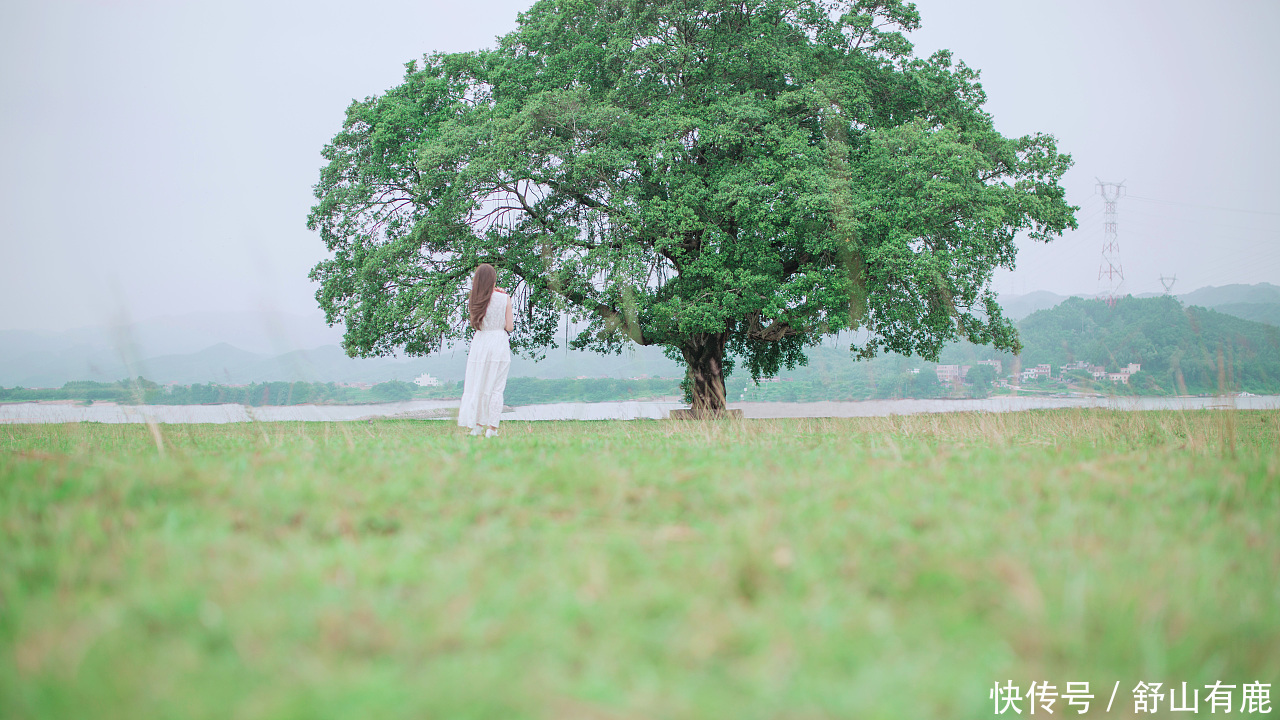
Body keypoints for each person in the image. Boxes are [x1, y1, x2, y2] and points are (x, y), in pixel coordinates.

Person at [457, 263, 513, 437]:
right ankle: (492, 429)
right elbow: (509, 327)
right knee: (496, 387)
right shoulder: (504, 298)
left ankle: (477, 426)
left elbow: (476, 323)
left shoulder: (474, 298)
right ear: (493, 279)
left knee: (478, 384)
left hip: (480, 343)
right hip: (499, 343)